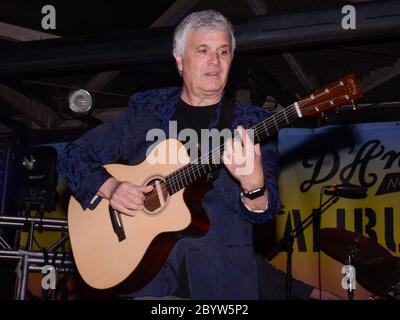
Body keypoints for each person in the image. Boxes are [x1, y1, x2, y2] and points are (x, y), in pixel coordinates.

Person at [58, 10, 281, 299]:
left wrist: (254, 187)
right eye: (203, 50)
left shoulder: (252, 124)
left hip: (221, 282)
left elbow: (267, 211)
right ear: (179, 59)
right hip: (146, 281)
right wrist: (112, 187)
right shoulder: (148, 111)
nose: (215, 61)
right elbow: (74, 155)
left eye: (223, 52)